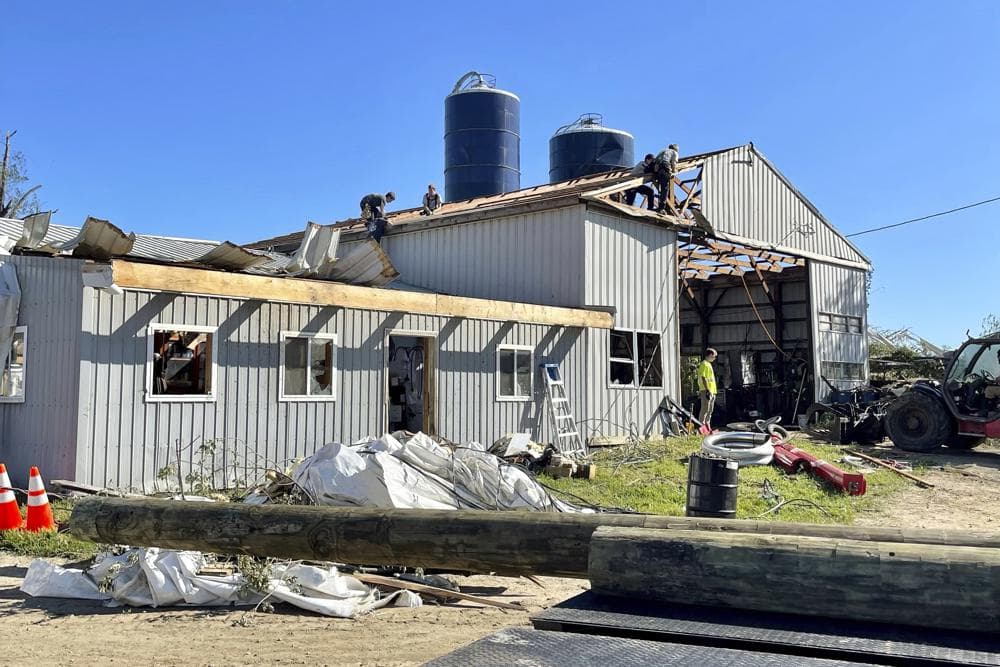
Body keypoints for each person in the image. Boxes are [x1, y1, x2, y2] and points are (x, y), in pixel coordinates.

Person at [653, 144, 679, 213]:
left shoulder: (663, 151)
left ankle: (660, 206)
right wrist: (673, 171)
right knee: (665, 189)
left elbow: (656, 161)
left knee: (660, 187)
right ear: (676, 149)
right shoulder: (674, 152)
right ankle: (661, 208)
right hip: (665, 167)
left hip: (657, 169)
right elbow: (673, 163)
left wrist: (656, 172)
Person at [697, 348, 718, 429]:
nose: (714, 358)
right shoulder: (704, 364)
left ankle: (707, 426)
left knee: (710, 410)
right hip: (707, 390)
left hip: (712, 391)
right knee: (705, 410)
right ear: (709, 355)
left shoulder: (709, 364)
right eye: (714, 356)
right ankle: (701, 427)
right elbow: (703, 377)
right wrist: (707, 390)